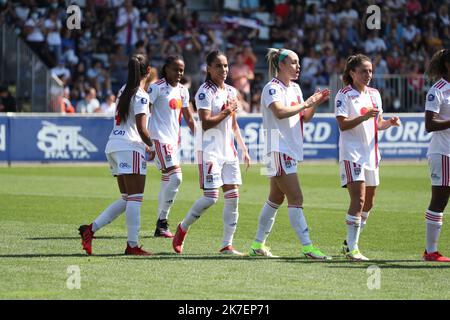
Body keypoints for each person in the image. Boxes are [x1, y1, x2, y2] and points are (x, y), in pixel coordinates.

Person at [248, 48, 331, 259]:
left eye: (298, 62)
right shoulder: (271, 88)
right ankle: (307, 247)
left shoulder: (295, 88)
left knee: (275, 198)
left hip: (286, 148)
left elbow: (305, 117)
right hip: (276, 147)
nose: (298, 66)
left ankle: (257, 244)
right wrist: (307, 103)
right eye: (294, 62)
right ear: (281, 65)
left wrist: (315, 104)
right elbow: (279, 112)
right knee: (296, 198)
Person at [172, 50, 251, 255]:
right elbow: (206, 123)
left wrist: (243, 149)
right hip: (209, 150)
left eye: (225, 66)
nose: (223, 70)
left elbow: (234, 125)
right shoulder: (204, 92)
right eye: (218, 66)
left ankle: (227, 245)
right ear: (208, 68)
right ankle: (183, 228)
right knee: (211, 197)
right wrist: (227, 110)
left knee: (233, 198)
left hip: (228, 151)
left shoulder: (232, 92)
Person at [78, 54, 156, 256]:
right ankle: (132, 245)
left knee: (126, 198)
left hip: (114, 145)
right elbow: (142, 129)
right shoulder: (141, 95)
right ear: (148, 72)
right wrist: (153, 146)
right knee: (135, 199)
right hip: (130, 148)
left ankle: (90, 229)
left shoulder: (123, 90)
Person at [335, 54, 401, 261]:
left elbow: (377, 123)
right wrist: (363, 116)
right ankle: (353, 250)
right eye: (364, 71)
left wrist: (389, 122)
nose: (368, 75)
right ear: (352, 73)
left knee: (369, 203)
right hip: (352, 154)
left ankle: (348, 243)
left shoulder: (374, 94)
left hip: (371, 154)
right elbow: (342, 124)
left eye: (371, 71)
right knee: (359, 199)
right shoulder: (343, 95)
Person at [147, 55, 196, 238]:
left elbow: (189, 118)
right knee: (176, 177)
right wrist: (146, 140)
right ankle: (162, 221)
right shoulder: (156, 88)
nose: (179, 73)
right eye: (175, 69)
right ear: (166, 69)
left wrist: (201, 139)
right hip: (159, 139)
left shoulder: (183, 90)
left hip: (173, 142)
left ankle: (160, 226)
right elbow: (143, 112)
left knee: (168, 180)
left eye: (182, 70)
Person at [422, 49, 450, 262]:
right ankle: (430, 251)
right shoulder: (437, 90)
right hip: (443, 153)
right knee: (439, 200)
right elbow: (429, 124)